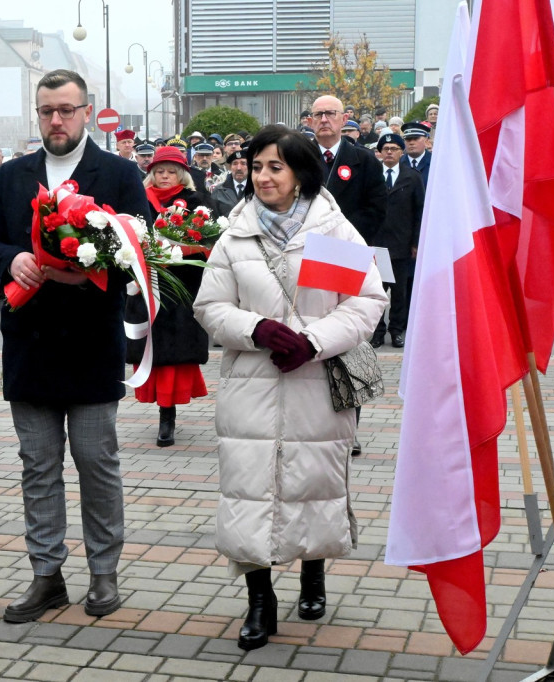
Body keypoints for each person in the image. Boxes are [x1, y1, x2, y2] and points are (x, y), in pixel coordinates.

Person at [192, 125, 387, 651]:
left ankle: (313, 574)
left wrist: (313, 341)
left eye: (275, 167)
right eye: (256, 166)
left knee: (314, 483)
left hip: (315, 383)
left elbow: (366, 303)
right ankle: (259, 601)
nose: (263, 177)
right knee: (248, 492)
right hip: (251, 385)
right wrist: (255, 329)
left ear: (300, 172)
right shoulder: (235, 234)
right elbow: (209, 308)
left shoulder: (330, 232)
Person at [0, 69, 150, 624]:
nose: (56, 120)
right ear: (37, 112)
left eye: (66, 110)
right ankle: (46, 575)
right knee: (38, 465)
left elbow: (144, 249)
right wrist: (12, 259)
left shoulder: (119, 174)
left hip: (92, 342)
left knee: (97, 463)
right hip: (29, 343)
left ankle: (104, 575)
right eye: (47, 110)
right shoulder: (13, 175)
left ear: (86, 110)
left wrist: (94, 265)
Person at [311, 95, 387, 458]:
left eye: (331, 114)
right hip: (303, 257)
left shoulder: (364, 160)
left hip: (346, 257)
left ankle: (349, 427)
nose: (324, 120)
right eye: (318, 114)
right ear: (310, 120)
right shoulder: (298, 156)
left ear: (344, 119)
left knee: (347, 341)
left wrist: (343, 241)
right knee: (310, 336)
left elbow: (377, 207)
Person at [127, 146, 209, 446]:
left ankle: (168, 416)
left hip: (180, 289)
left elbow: (206, 243)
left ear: (182, 174)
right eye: (158, 171)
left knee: (175, 353)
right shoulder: (138, 201)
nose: (163, 176)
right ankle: (162, 410)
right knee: (153, 349)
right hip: (147, 286)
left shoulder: (195, 202)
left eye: (170, 171)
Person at [372, 132, 424, 349]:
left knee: (400, 292)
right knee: (376, 291)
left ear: (401, 152)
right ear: (380, 152)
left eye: (394, 149)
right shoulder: (373, 175)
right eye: (386, 149)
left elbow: (419, 211)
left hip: (402, 244)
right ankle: (376, 331)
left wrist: (415, 242)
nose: (390, 153)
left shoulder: (411, 177)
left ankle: (396, 331)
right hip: (378, 244)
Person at [210, 150, 249, 218]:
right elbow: (213, 216)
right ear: (230, 167)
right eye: (235, 164)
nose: (239, 168)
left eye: (243, 163)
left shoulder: (256, 189)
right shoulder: (219, 190)